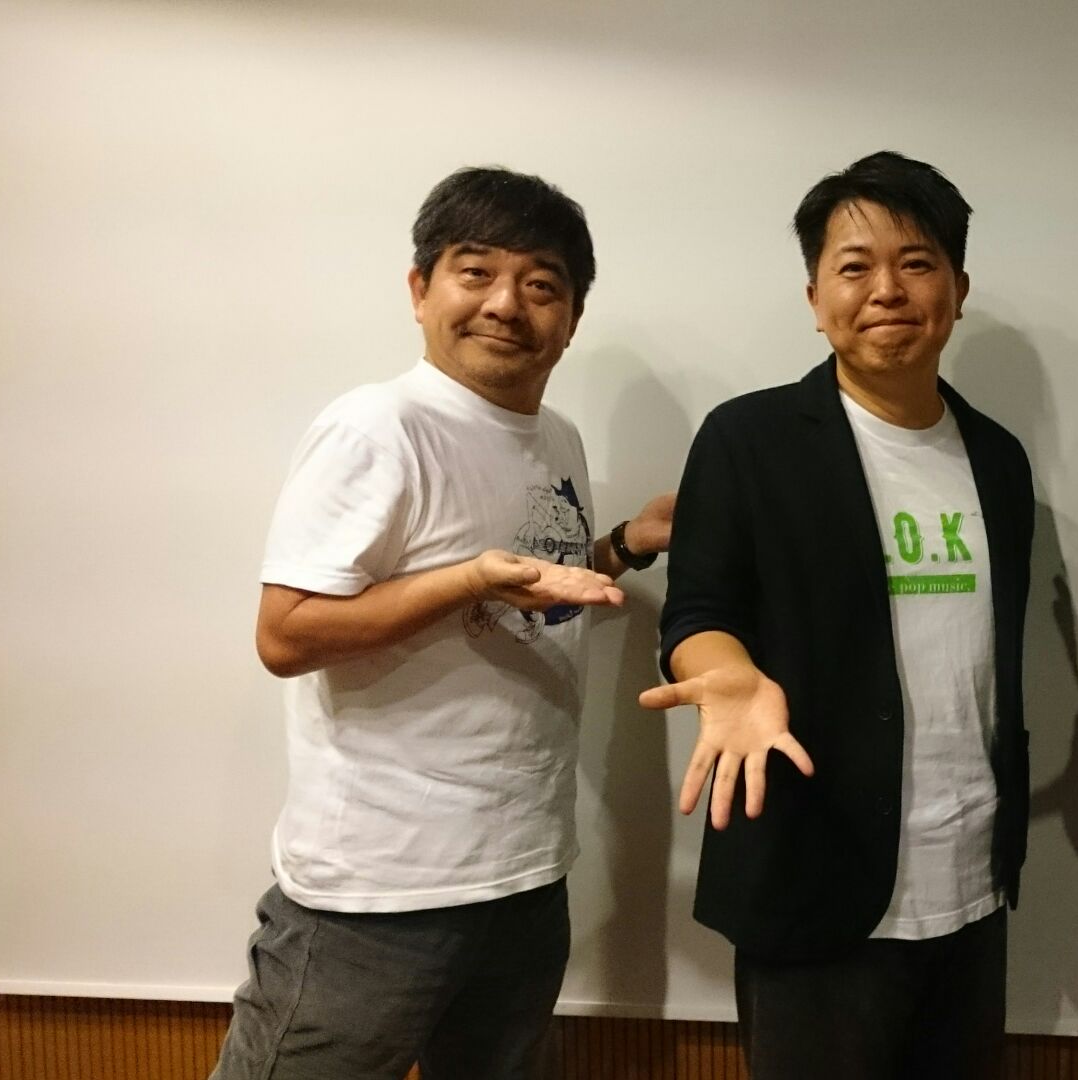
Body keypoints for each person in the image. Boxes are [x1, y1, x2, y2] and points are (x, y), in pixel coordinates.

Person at [210, 166, 674, 1080]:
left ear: (572, 317)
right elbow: (286, 634)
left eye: (540, 284)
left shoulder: (557, 437)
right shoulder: (378, 427)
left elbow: (532, 592)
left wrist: (624, 544)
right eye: (476, 272)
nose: (506, 304)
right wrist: (468, 580)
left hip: (525, 877)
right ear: (421, 289)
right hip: (375, 897)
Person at [641, 151, 1034, 1079]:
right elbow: (698, 611)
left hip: (970, 880)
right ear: (815, 298)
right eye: (855, 267)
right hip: (812, 876)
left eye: (917, 262)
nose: (887, 289)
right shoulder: (749, 439)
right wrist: (728, 676)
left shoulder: (999, 458)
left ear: (958, 288)